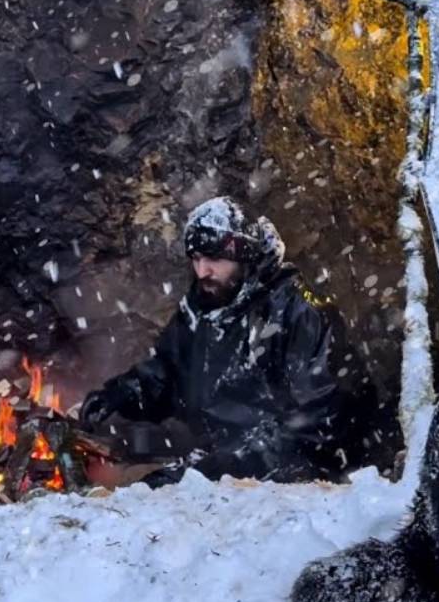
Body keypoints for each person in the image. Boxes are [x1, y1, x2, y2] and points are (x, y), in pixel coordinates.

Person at [78, 196, 361, 485]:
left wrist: (222, 467)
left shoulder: (299, 312)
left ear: (246, 256)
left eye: (213, 258)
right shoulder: (204, 304)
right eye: (196, 259)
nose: (202, 272)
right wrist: (124, 392)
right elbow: (170, 370)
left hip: (292, 476)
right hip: (220, 458)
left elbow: (316, 421)